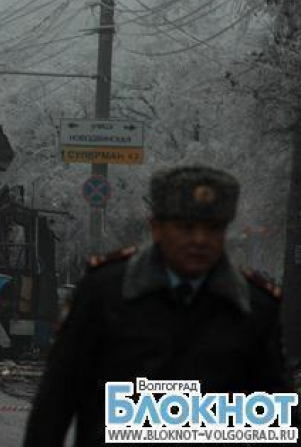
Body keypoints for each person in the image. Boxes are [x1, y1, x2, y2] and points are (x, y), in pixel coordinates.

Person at [24, 165, 294, 446]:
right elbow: (56, 401)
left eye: (212, 228)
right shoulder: (106, 293)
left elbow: (276, 417)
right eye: (185, 227)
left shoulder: (252, 307)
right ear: (156, 228)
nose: (199, 240)